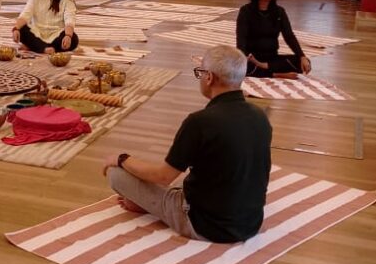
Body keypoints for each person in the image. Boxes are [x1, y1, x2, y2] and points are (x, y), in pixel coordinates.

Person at [103, 45, 272, 243]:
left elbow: (163, 177)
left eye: (200, 73)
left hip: (204, 224)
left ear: (209, 77)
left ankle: (154, 206)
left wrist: (122, 158)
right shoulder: (260, 115)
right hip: (250, 222)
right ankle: (151, 203)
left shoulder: (199, 121)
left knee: (116, 174)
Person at [236, 0, 311, 78]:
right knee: (239, 67)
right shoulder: (246, 11)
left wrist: (302, 56)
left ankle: (265, 68)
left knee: (303, 62)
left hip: (272, 58)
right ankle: (275, 74)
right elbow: (241, 38)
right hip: (252, 58)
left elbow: (289, 36)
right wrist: (243, 58)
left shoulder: (279, 12)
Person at [12, 0, 79, 54]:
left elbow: (70, 18)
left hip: (56, 33)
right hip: (37, 32)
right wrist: (16, 28)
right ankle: (45, 48)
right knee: (21, 30)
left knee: (74, 39)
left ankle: (36, 47)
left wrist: (68, 36)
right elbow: (25, 14)